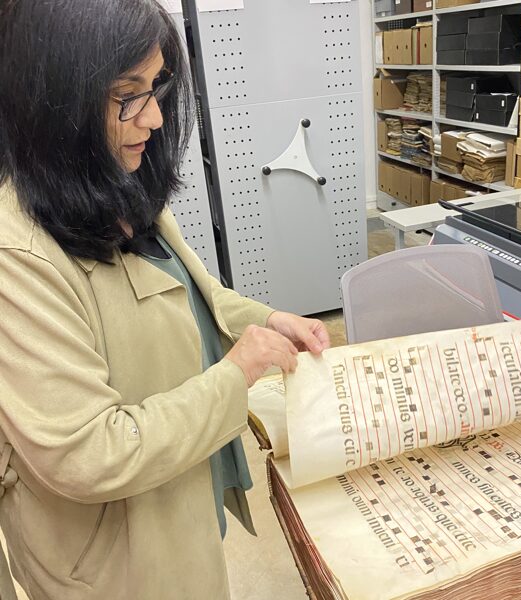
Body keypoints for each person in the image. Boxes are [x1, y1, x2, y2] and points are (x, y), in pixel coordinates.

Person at [0, 1, 330, 598]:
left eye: (155, 88)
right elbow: (87, 452)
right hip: (114, 558)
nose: (153, 117)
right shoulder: (17, 255)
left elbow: (188, 293)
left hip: (177, 486)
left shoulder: (114, 181)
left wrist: (267, 320)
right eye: (128, 95)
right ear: (54, 101)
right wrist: (236, 374)